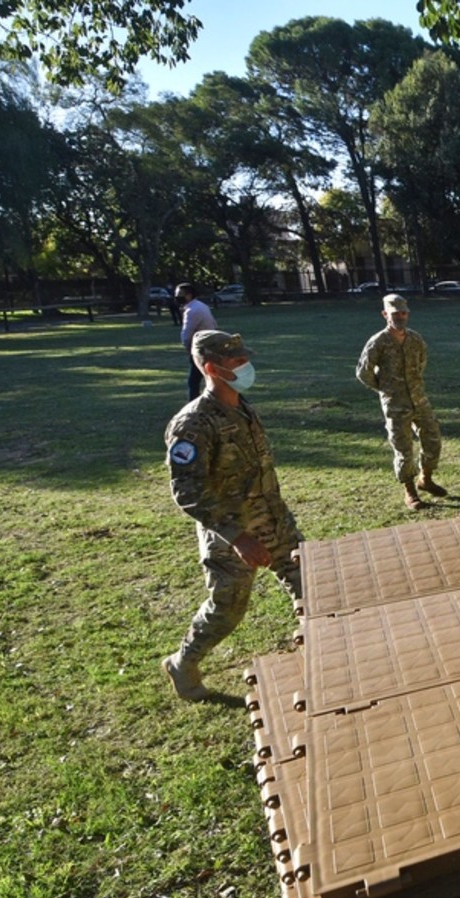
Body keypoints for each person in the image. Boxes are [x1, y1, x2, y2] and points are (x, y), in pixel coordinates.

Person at [161, 330, 302, 701]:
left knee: (312, 590)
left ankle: (323, 657)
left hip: (275, 522)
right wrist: (238, 537)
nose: (247, 366)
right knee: (227, 610)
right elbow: (187, 492)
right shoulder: (192, 424)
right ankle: (183, 663)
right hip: (232, 537)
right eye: (237, 363)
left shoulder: (242, 406)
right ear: (211, 368)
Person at [356, 293, 446, 510]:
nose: (400, 317)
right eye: (395, 313)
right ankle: (410, 492)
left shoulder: (415, 339)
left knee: (433, 440)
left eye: (403, 313)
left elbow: (422, 362)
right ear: (385, 314)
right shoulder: (378, 342)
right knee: (403, 449)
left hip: (419, 399)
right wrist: (385, 388)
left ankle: (425, 479)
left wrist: (412, 385)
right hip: (395, 404)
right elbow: (363, 372)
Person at [176, 283, 216, 400]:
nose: (177, 297)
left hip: (201, 349)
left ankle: (192, 408)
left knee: (193, 383)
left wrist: (188, 348)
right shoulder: (202, 306)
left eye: (179, 295)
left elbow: (186, 334)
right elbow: (214, 324)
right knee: (218, 378)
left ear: (188, 295)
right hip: (211, 346)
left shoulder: (192, 311)